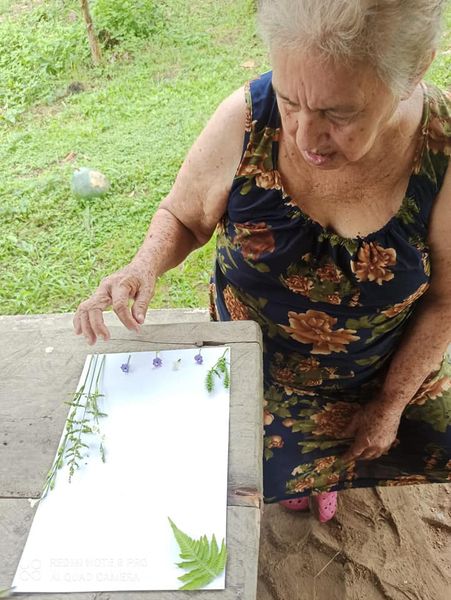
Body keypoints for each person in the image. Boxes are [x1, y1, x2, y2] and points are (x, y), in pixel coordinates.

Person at [74, 0, 451, 522]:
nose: (305, 137)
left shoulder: (441, 149)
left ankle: (326, 475)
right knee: (254, 466)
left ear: (413, 72)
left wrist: (389, 405)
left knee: (372, 447)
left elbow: (445, 302)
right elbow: (184, 216)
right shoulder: (247, 118)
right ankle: (298, 476)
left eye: (339, 114)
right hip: (257, 373)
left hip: (375, 374)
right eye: (290, 101)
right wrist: (142, 265)